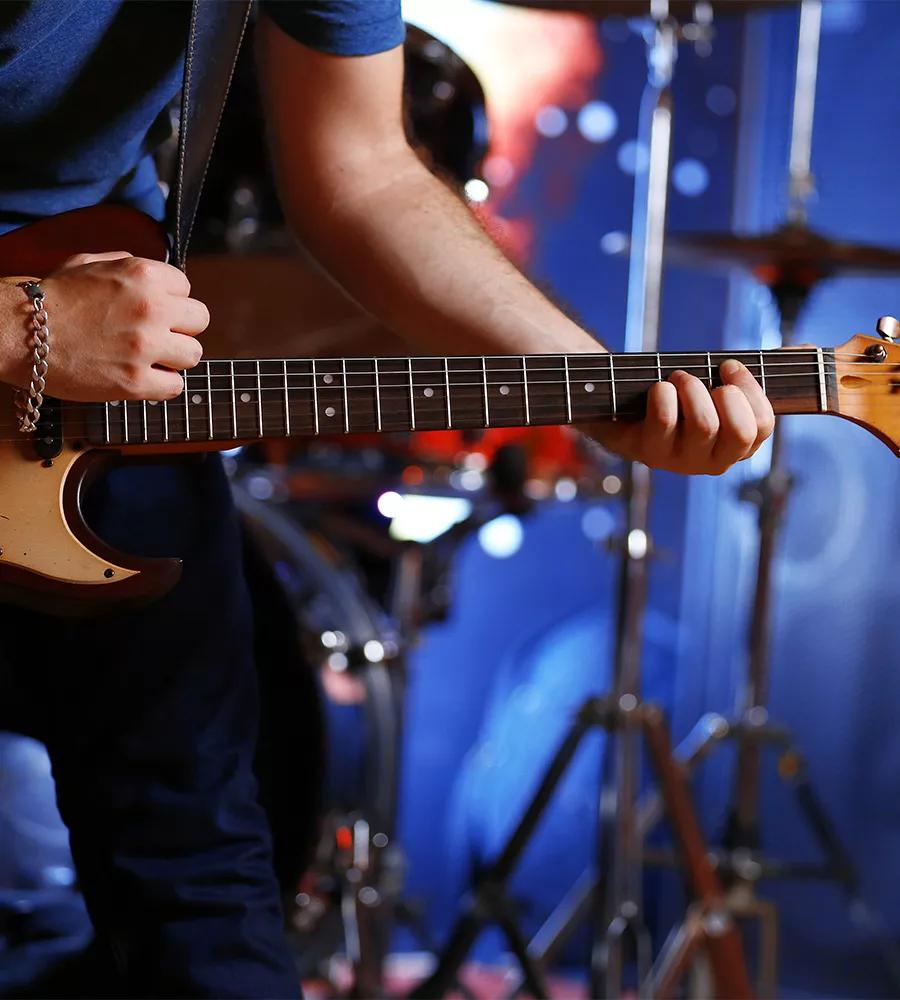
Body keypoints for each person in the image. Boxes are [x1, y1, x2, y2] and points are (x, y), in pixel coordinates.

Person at [0, 2, 775, 998]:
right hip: (54, 328)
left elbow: (359, 168)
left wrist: (592, 384)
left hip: (97, 374)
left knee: (201, 886)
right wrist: (22, 332)